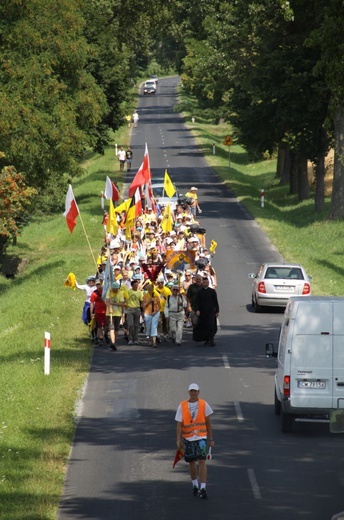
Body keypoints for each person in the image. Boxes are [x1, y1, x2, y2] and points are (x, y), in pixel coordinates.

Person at [175, 383, 214, 499]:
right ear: (188, 392)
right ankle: (195, 485)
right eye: (191, 391)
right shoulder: (182, 406)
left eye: (195, 391)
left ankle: (203, 487)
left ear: (198, 392)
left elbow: (208, 423)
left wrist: (211, 439)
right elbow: (179, 424)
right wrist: (178, 439)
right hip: (188, 438)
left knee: (202, 461)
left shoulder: (203, 404)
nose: (193, 393)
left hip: (201, 437)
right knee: (191, 462)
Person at [193, 277, 219, 346]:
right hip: (202, 312)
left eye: (206, 282)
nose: (205, 284)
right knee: (204, 326)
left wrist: (217, 310)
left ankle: (211, 340)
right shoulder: (200, 292)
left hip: (211, 312)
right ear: (202, 283)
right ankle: (207, 339)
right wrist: (197, 310)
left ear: (208, 283)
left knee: (211, 325)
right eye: (204, 283)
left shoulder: (212, 291)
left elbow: (215, 301)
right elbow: (197, 302)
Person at [105, 281, 126, 351]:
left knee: (116, 329)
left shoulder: (120, 293)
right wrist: (110, 307)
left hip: (118, 313)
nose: (115, 290)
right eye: (114, 289)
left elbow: (122, 303)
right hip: (109, 314)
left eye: (116, 289)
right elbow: (107, 301)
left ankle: (113, 341)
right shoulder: (109, 292)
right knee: (111, 328)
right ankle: (113, 343)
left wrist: (113, 303)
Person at [142, 282, 161, 347]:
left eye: (151, 289)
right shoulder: (145, 296)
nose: (150, 290)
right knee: (148, 327)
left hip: (155, 313)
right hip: (147, 313)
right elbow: (143, 306)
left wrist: (155, 311)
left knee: (154, 327)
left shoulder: (156, 295)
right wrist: (150, 301)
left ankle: (154, 342)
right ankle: (150, 340)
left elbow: (159, 306)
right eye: (149, 289)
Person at [126, 279, 143, 345]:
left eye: (137, 285)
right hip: (130, 309)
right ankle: (130, 339)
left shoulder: (139, 292)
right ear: (132, 286)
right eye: (135, 285)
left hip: (137, 309)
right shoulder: (129, 291)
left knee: (136, 325)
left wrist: (142, 310)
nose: (136, 286)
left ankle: (136, 339)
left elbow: (141, 301)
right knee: (130, 325)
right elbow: (125, 299)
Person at [90, 279, 107, 345]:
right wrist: (91, 313)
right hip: (98, 312)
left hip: (106, 311)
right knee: (99, 326)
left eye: (99, 284)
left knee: (107, 326)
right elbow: (92, 303)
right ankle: (101, 338)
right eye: (97, 284)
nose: (98, 286)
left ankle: (105, 334)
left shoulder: (105, 291)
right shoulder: (94, 293)